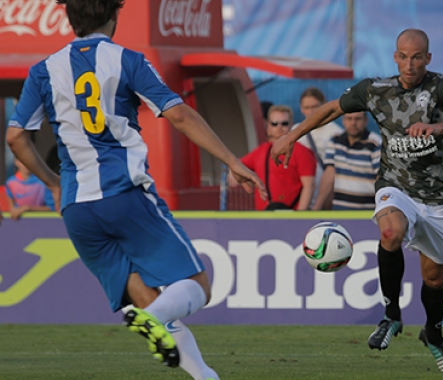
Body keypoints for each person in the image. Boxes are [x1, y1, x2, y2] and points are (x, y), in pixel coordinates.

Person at [5, 1, 265, 378]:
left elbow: (15, 138)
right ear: (114, 15)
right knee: (196, 286)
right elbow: (178, 114)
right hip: (123, 194)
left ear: (69, 17)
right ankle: (153, 318)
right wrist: (232, 161)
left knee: (148, 299)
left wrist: (53, 182)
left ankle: (204, 375)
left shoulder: (42, 70)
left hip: (77, 208)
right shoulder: (128, 59)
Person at [272, 28, 443, 372]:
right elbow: (330, 110)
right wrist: (292, 135)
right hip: (394, 185)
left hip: (439, 194)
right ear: (395, 56)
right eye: (403, 56)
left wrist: (437, 129)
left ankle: (434, 335)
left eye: (417, 57)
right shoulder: (375, 89)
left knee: (433, 279)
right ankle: (391, 315)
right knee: (390, 233)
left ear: (428, 58)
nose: (409, 64)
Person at [240, 105, 316, 210]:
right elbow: (238, 165)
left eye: (284, 123)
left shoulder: (302, 152)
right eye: (274, 124)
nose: (279, 128)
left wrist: (299, 217)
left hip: (291, 216)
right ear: (268, 126)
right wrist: (233, 172)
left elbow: (309, 186)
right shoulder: (261, 150)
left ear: (291, 125)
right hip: (264, 218)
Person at [315, 111, 381, 210]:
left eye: (357, 119)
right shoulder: (335, 140)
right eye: (349, 118)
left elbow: (380, 179)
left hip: (367, 213)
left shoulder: (375, 143)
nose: (353, 123)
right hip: (339, 211)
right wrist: (317, 207)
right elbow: (329, 173)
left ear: (365, 121)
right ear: (343, 121)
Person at [294, 87, 344, 210]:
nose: (311, 111)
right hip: (300, 198)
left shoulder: (337, 133)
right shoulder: (295, 131)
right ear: (301, 109)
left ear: (324, 105)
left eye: (315, 106)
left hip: (329, 199)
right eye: (307, 107)